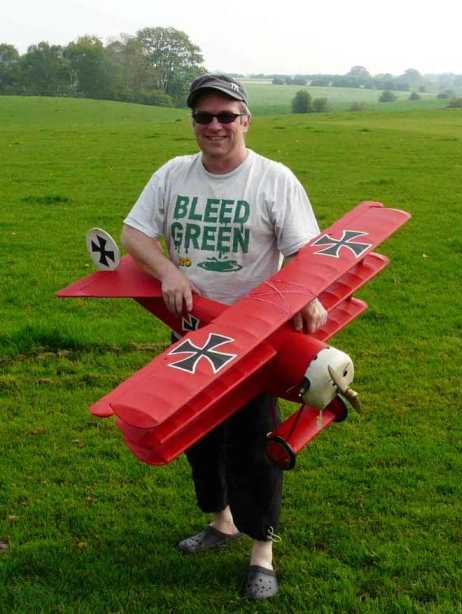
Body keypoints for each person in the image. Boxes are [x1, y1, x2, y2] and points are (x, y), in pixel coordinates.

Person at [121, 74, 327, 600]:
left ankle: (263, 551)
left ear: (245, 120)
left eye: (226, 116)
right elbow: (134, 234)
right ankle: (221, 521)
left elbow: (306, 252)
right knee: (199, 438)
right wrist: (168, 272)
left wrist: (307, 295)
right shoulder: (172, 174)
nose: (214, 126)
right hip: (190, 335)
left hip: (255, 340)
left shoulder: (274, 179)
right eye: (203, 116)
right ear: (193, 122)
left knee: (256, 444)